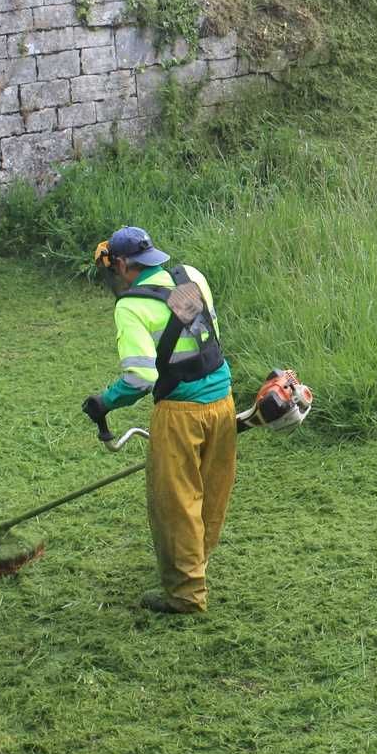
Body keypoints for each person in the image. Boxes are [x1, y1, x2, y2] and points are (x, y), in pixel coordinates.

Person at [81, 225, 236, 615]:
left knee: (176, 502)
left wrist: (105, 402)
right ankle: (196, 563)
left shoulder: (130, 306)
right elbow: (208, 331)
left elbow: (141, 378)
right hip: (223, 400)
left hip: (181, 413)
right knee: (212, 489)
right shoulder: (190, 275)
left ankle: (185, 594)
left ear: (120, 264)